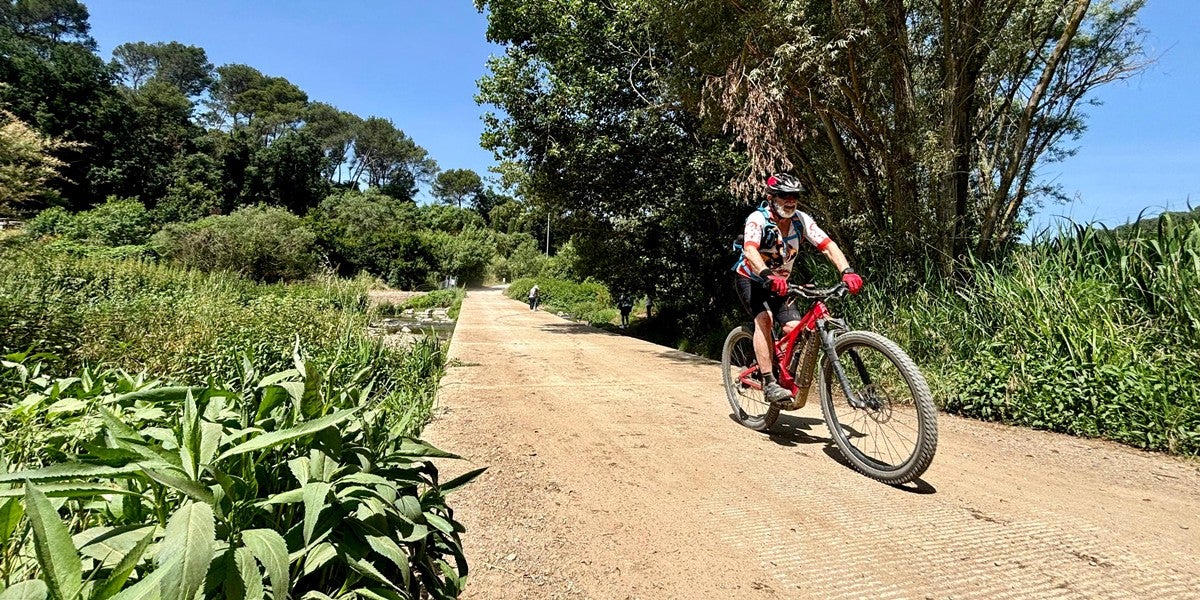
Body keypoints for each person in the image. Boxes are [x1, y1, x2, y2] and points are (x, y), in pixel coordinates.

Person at [732, 173, 864, 404]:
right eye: (784, 196)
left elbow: (827, 246)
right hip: (752, 278)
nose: (790, 201)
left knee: (796, 329)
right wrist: (766, 274)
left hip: (782, 283)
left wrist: (847, 271)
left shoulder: (801, 220)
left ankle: (785, 369)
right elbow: (750, 251)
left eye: (794, 196)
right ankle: (769, 382)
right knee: (765, 319)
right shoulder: (758, 219)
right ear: (771, 197)